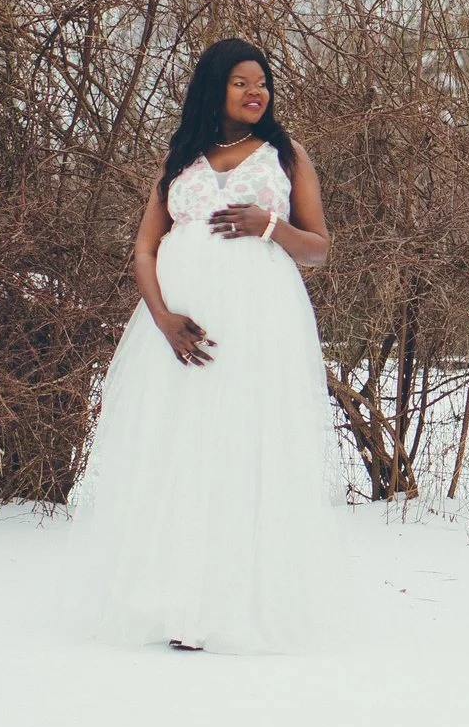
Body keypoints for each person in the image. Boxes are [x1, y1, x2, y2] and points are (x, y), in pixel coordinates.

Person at [67, 38, 357, 652]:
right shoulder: (179, 160)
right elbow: (145, 248)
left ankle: (235, 603)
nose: (257, 92)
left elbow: (321, 250)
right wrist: (164, 318)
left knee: (243, 449)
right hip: (180, 333)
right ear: (213, 88)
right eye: (241, 82)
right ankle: (177, 603)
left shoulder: (286, 155)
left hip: (259, 326)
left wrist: (268, 226)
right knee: (178, 450)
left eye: (263, 82)